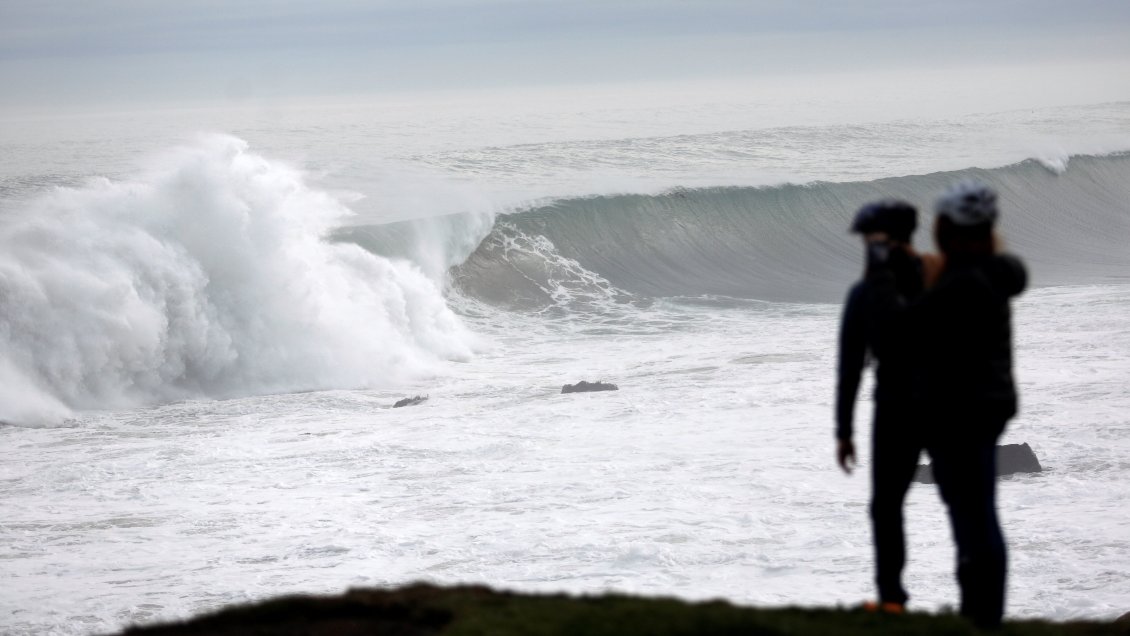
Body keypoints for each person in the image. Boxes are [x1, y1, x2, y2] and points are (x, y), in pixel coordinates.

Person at [871, 180, 1027, 629]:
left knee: (972, 521)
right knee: (979, 515)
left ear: (946, 229)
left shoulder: (962, 283)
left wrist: (883, 274)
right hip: (990, 405)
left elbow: (895, 333)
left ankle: (981, 618)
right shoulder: (995, 271)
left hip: (962, 413)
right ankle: (982, 616)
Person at [835, 199, 933, 613]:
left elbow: (851, 369)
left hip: (904, 408)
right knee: (890, 505)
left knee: (887, 506)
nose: (867, 248)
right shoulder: (937, 280)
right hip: (929, 406)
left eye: (872, 240)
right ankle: (894, 598)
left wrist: (844, 432)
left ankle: (894, 600)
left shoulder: (869, 293)